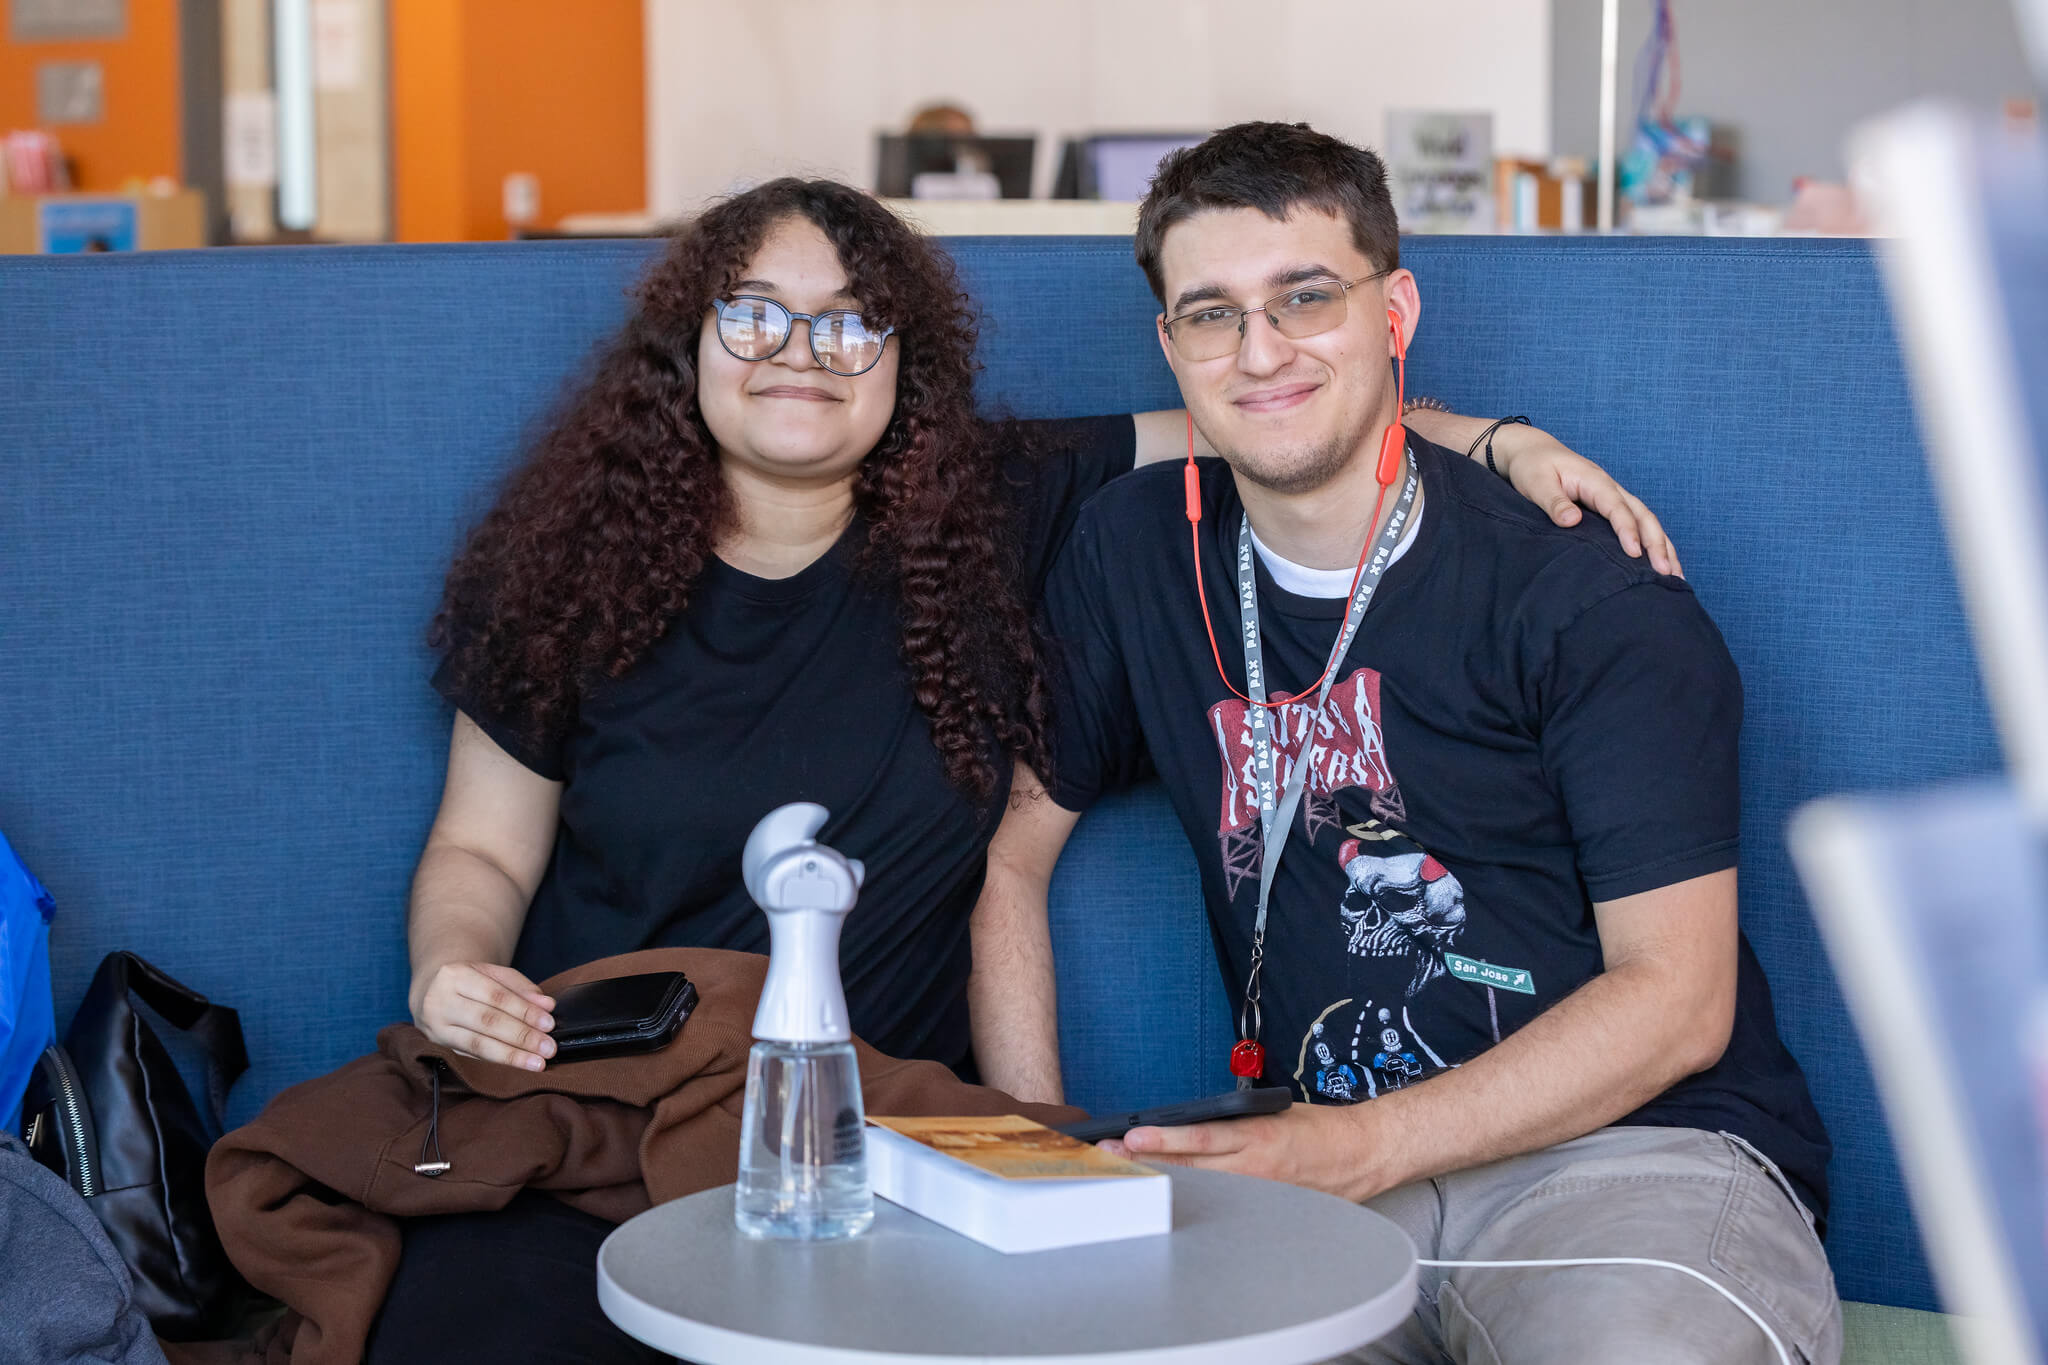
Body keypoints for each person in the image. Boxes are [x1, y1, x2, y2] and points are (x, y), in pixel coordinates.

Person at [378, 175, 1677, 1362]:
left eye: (850, 325)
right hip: (590, 1111)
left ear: (905, 363)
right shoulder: (563, 573)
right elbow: (481, 848)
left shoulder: (999, 503)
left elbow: (1275, 410)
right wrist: (451, 968)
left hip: (885, 1153)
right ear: (689, 340)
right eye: (756, 316)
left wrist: (1498, 441)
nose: (800, 356)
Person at [970, 122, 1841, 1364]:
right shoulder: (1133, 553)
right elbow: (1011, 857)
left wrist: (1346, 1150)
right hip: (1324, 1175)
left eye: (1305, 298)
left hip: (1626, 1160)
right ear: (1170, 346)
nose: (1258, 350)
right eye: (1209, 314)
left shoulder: (1581, 594)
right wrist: (1031, 1152)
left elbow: (1676, 1003)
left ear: (1395, 310)